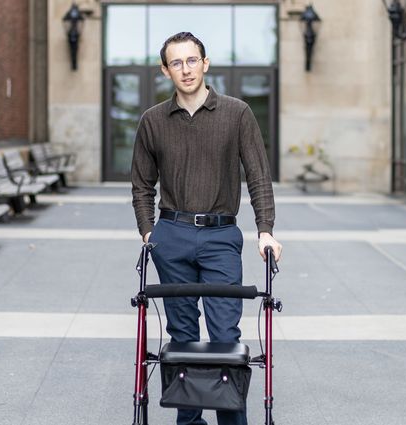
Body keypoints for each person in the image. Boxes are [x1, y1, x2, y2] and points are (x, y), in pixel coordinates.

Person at [131, 32, 282, 425]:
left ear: (206, 63)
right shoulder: (152, 121)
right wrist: (150, 233)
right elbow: (142, 185)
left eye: (192, 60)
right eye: (176, 63)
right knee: (181, 336)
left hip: (220, 237)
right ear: (165, 70)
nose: (186, 69)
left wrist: (265, 229)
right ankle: (190, 421)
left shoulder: (237, 113)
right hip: (172, 235)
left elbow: (259, 177)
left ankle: (232, 421)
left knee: (224, 336)